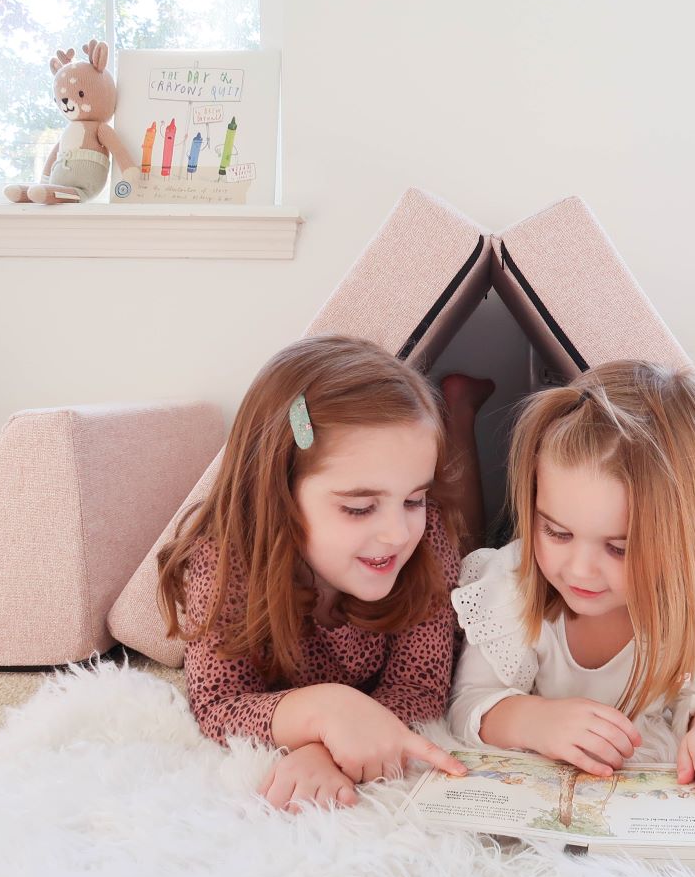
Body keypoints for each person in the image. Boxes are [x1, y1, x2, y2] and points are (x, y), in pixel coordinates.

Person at [157, 335, 484, 810]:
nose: (397, 532)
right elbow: (217, 706)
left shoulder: (427, 537)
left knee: (469, 529)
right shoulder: (225, 561)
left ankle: (462, 414)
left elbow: (421, 690)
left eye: (414, 498)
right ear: (279, 495)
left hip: (455, 534)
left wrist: (329, 749)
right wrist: (325, 710)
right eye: (359, 507)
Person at [448, 360, 695, 801]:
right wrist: (534, 720)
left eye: (619, 548)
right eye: (556, 532)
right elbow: (470, 705)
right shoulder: (509, 584)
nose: (580, 570)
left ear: (684, 540)